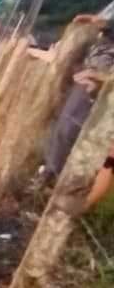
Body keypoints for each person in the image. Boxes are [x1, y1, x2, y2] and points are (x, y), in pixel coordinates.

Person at [43, 23, 114, 178]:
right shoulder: (102, 43)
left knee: (70, 131)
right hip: (89, 77)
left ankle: (52, 175)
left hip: (99, 89)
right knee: (62, 126)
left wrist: (103, 79)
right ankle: (48, 170)